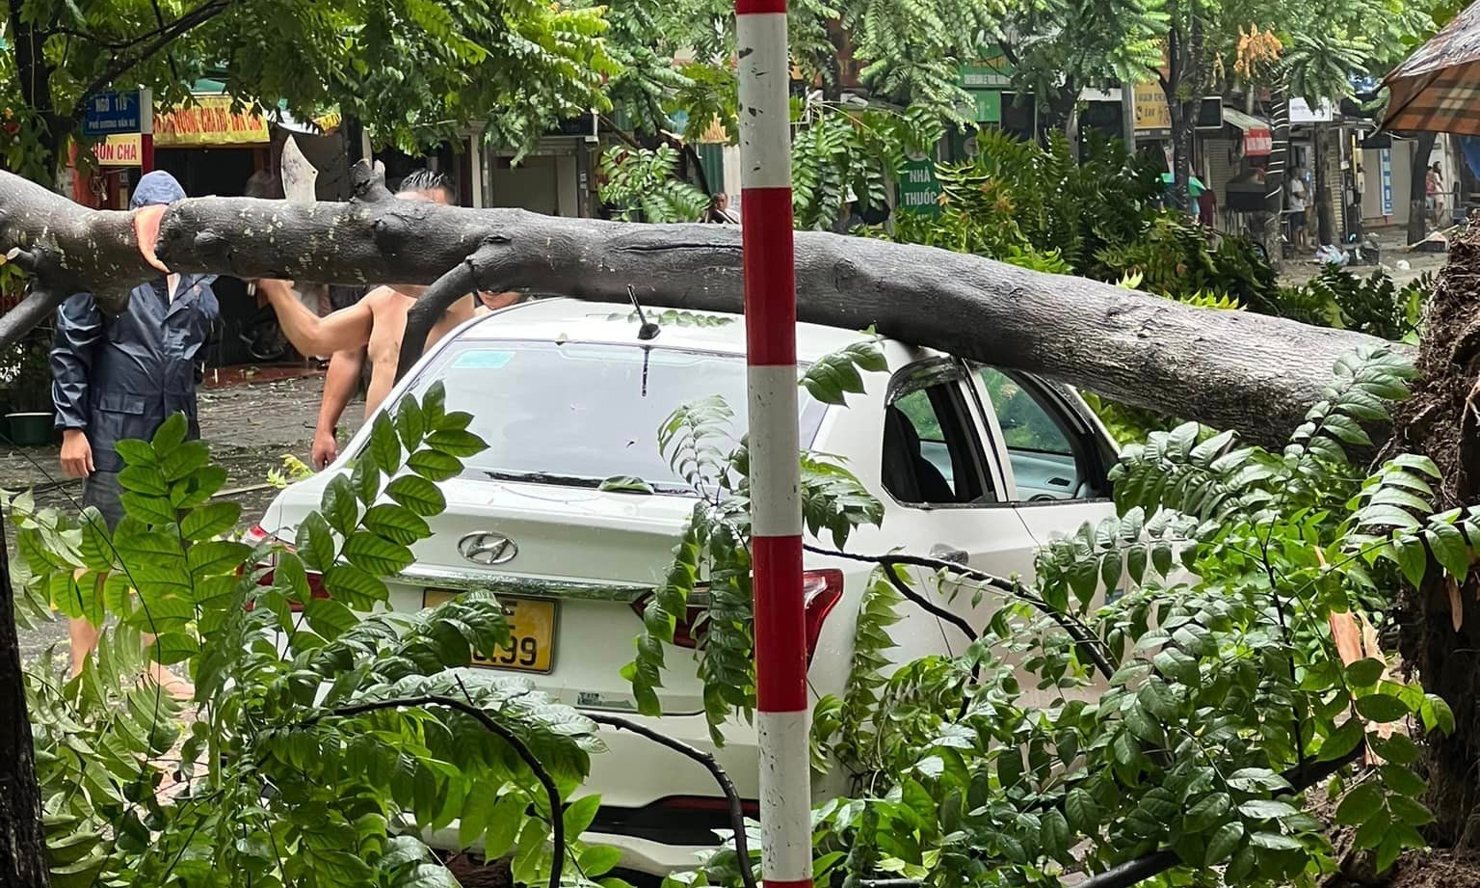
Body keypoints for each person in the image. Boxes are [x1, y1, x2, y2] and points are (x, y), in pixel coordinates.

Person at [52, 170, 220, 693]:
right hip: (111, 431)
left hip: (176, 434)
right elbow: (70, 349)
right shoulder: (109, 273)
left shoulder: (199, 280)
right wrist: (72, 428)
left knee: (167, 552)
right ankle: (83, 667)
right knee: (96, 551)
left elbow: (199, 349)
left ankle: (154, 668)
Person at [254, 171, 520, 467]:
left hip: (431, 457)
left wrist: (342, 243)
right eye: (404, 215)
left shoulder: (456, 296)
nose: (413, 227)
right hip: (376, 455)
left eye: (426, 218)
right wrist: (274, 287)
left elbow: (399, 273)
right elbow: (314, 338)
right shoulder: (380, 299)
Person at [1288, 169, 1309, 251]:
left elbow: (1304, 193)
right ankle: (1297, 245)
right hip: (1295, 208)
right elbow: (1299, 194)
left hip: (1302, 207)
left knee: (1304, 226)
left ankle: (1304, 244)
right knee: (1296, 228)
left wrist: (1303, 194)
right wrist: (1302, 194)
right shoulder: (1292, 182)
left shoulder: (1299, 182)